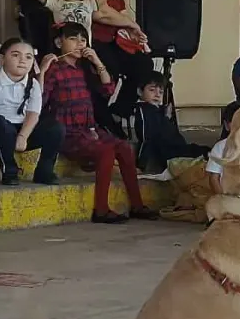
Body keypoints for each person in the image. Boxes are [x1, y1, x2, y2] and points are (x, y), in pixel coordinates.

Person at [41, 23, 159, 224]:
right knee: (106, 151)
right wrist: (42, 70)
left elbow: (108, 89)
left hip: (89, 129)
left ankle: (137, 205)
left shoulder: (85, 68)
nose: (79, 44)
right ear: (59, 42)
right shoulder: (54, 69)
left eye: (83, 40)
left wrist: (96, 60)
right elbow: (40, 99)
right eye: (73, 39)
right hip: (68, 132)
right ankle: (101, 209)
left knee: (123, 147)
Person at [78, 0, 153, 119]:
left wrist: (132, 32)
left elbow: (122, 12)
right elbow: (99, 13)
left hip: (116, 39)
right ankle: (102, 117)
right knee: (109, 68)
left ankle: (120, 111)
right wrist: (131, 24)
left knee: (144, 64)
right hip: (93, 38)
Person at [0, 39, 64, 186]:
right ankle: (9, 172)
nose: (23, 60)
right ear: (2, 59)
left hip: (22, 130)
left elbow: (33, 114)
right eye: (16, 55)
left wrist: (23, 136)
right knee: (2, 124)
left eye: (28, 57)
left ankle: (44, 171)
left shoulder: (33, 84)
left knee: (55, 128)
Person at [129, 72, 211, 174]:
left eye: (161, 92)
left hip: (175, 147)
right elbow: (147, 138)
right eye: (152, 90)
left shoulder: (157, 110)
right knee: (199, 154)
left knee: (201, 150)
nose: (157, 94)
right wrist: (141, 164)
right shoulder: (144, 110)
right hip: (167, 151)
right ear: (140, 92)